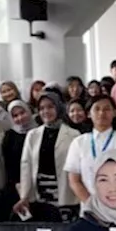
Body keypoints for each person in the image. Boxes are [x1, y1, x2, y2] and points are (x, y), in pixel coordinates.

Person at [15, 94, 78, 222]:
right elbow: (26, 166)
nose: (46, 111)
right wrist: (24, 196)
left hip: (65, 191)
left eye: (50, 107)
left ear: (59, 108)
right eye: (42, 108)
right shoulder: (33, 135)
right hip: (40, 193)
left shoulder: (73, 134)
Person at [65, 96, 116, 203]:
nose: (102, 113)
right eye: (97, 109)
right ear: (89, 114)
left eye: (107, 109)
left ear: (114, 112)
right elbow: (74, 181)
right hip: (89, 208)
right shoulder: (79, 143)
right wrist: (92, 204)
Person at [0, 99, 35, 220]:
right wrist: (19, 186)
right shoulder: (10, 136)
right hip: (17, 184)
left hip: (38, 183)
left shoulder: (38, 132)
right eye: (15, 116)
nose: (20, 118)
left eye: (22, 113)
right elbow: (9, 164)